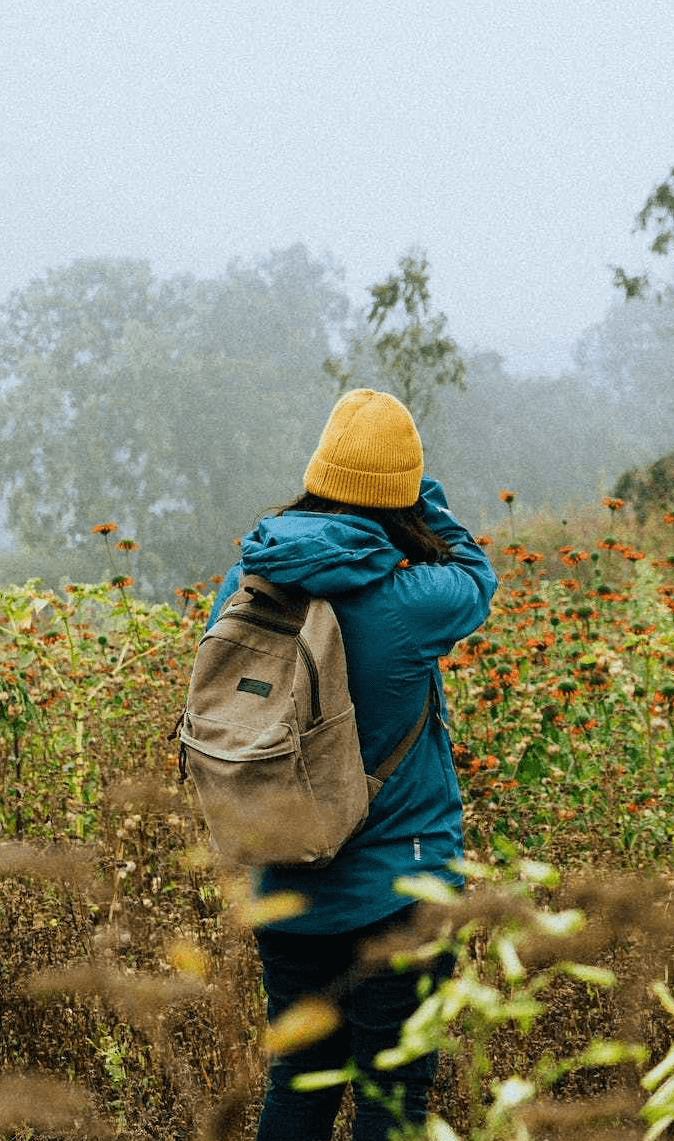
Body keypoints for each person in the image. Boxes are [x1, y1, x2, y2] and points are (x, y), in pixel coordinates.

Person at [206, 388, 497, 1141]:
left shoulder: (242, 589)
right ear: (399, 493)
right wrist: (416, 495)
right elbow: (477, 574)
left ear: (316, 472)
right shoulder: (414, 601)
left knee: (298, 1090)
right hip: (401, 890)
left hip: (286, 885)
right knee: (392, 1098)